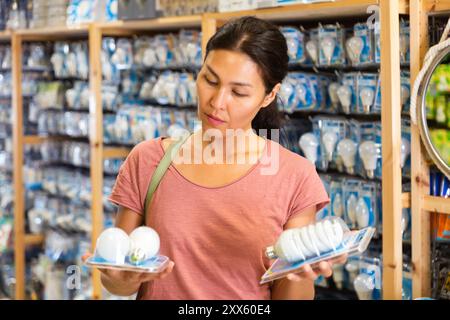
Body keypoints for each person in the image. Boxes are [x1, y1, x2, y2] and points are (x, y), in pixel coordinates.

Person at [85, 16, 346, 300]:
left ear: (269, 95)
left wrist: (300, 273)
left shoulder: (294, 176)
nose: (217, 102)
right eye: (210, 80)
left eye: (238, 92)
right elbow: (120, 284)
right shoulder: (148, 160)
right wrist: (120, 278)